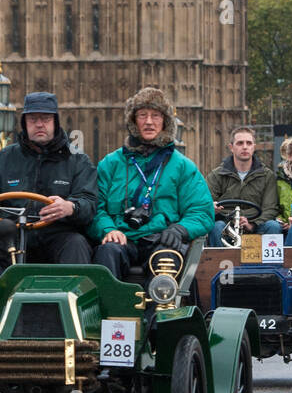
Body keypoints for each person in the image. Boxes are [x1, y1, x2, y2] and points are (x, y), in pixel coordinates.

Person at [89, 87, 214, 280]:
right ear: (133, 121)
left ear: (165, 122)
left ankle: (161, 310)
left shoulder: (183, 166)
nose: (148, 122)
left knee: (166, 258)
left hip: (161, 239)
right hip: (121, 237)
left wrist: (180, 229)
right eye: (142, 115)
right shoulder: (110, 164)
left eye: (155, 115)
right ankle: (111, 309)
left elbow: (201, 211)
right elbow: (94, 206)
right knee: (106, 253)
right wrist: (108, 229)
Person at [0, 92, 96, 274]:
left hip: (56, 236)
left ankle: (71, 300)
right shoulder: (4, 158)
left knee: (77, 244)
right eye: (33, 119)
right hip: (9, 236)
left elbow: (90, 204)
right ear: (24, 123)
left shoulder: (77, 160)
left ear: (55, 122)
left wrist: (70, 207)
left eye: (46, 118)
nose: (39, 124)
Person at [205, 127, 283, 247]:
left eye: (249, 143)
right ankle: (221, 264)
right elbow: (207, 202)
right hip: (227, 225)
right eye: (240, 143)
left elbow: (270, 208)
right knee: (216, 227)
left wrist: (253, 224)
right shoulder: (217, 175)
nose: (245, 147)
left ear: (254, 147)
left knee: (273, 226)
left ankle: (271, 265)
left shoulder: (267, 175)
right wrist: (212, 208)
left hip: (257, 226)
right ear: (231, 147)